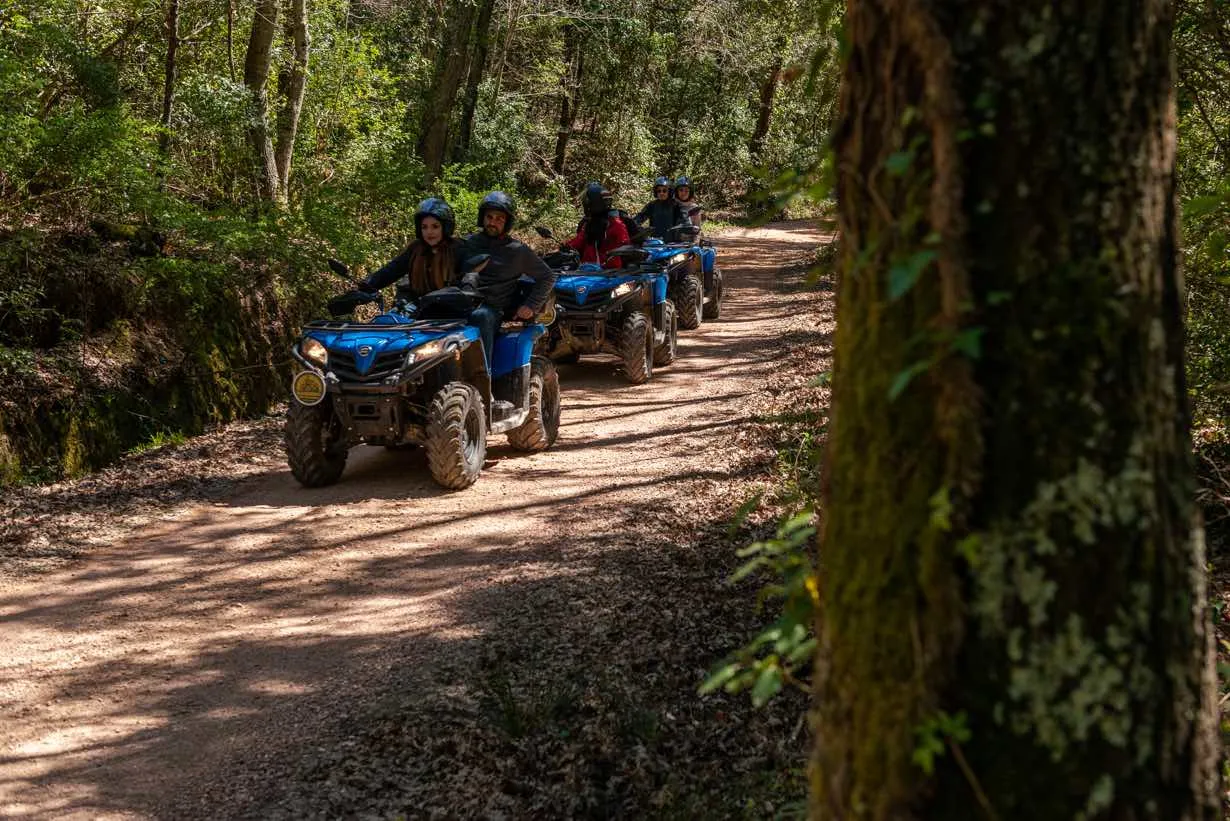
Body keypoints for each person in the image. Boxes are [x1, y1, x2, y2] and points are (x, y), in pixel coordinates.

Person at [456, 191, 556, 366]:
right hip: (459, 303)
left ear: (507, 222)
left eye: (499, 219)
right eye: (489, 217)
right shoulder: (467, 244)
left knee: (481, 316)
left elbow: (547, 277)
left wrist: (531, 305)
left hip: (492, 310)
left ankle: (482, 378)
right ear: (482, 218)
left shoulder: (517, 251)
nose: (492, 222)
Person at [360, 198, 457, 308]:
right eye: (424, 227)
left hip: (453, 311)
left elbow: (471, 275)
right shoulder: (415, 250)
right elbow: (391, 270)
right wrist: (365, 285)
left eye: (435, 226)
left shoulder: (458, 249)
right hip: (420, 308)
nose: (429, 232)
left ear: (446, 227)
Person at [562, 182, 630, 267]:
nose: (585, 204)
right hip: (586, 270)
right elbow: (578, 241)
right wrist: (565, 246)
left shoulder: (615, 223)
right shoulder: (589, 223)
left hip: (609, 272)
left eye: (587, 201)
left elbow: (625, 246)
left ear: (594, 202)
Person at [635, 176, 687, 241]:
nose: (661, 193)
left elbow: (685, 222)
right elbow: (640, 217)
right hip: (655, 242)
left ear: (669, 192)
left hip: (672, 244)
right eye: (659, 191)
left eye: (664, 191)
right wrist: (635, 225)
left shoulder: (676, 205)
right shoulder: (652, 205)